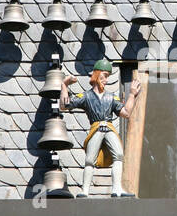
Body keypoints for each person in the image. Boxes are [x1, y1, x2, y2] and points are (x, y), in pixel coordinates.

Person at [60, 60, 141, 197]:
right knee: (90, 159)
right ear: (97, 75)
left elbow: (126, 113)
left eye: (108, 76)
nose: (107, 80)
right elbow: (64, 106)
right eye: (105, 75)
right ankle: (85, 191)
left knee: (119, 155)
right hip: (96, 128)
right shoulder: (86, 96)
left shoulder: (111, 97)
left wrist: (132, 94)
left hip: (109, 128)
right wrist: (64, 85)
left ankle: (117, 189)